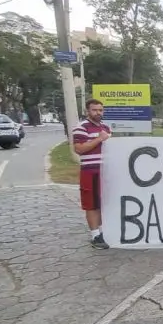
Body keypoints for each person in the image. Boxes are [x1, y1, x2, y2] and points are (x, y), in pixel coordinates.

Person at [72, 99, 111, 250]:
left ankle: (102, 232)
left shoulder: (106, 128)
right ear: (87, 111)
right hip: (90, 171)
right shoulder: (81, 128)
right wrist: (99, 139)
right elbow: (79, 149)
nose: (98, 113)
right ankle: (95, 236)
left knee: (103, 203)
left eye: (100, 110)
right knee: (92, 204)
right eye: (94, 110)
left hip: (105, 172)